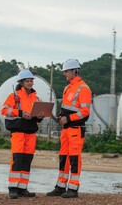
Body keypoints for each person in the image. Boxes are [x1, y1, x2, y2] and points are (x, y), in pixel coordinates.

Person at [46, 59, 92, 198]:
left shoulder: (83, 88)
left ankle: (73, 189)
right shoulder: (67, 88)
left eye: (66, 71)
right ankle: (60, 187)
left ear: (74, 71)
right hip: (66, 130)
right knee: (63, 158)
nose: (64, 74)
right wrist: (60, 116)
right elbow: (66, 109)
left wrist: (69, 119)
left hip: (76, 129)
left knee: (74, 158)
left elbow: (85, 111)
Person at [1, 70, 44, 199]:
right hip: (18, 132)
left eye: (31, 81)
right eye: (27, 81)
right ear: (21, 82)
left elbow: (36, 118)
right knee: (17, 160)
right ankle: (13, 189)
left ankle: (23, 188)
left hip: (30, 132)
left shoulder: (36, 97)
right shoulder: (14, 96)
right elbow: (5, 110)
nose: (30, 83)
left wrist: (40, 117)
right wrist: (20, 113)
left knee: (27, 160)